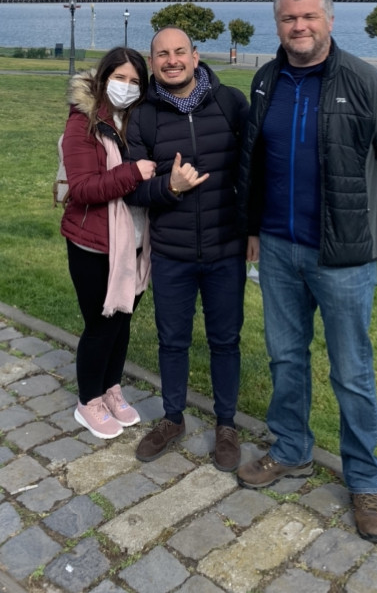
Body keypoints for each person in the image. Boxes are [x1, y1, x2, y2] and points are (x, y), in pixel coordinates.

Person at [237, 0, 377, 543]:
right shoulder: (265, 81)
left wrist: (358, 218)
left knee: (351, 371)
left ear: (328, 20)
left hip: (343, 259)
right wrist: (252, 228)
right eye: (288, 19)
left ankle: (365, 481)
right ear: (278, 25)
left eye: (309, 17)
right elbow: (256, 161)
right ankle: (291, 449)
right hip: (278, 249)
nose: (299, 27)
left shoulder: (364, 81)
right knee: (285, 357)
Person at [125, 27, 248, 472]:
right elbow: (132, 189)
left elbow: (252, 171)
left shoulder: (231, 103)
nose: (172, 60)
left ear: (196, 57)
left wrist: (252, 229)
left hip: (225, 248)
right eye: (162, 54)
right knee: (172, 341)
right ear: (152, 62)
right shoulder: (143, 117)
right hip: (172, 252)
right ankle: (172, 418)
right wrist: (170, 188)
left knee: (225, 340)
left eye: (180, 52)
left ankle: (226, 425)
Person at [60, 47, 157, 439]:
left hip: (135, 242)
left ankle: (111, 388)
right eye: (119, 78)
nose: (126, 87)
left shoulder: (139, 121)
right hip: (94, 245)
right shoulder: (83, 123)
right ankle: (89, 401)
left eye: (135, 81)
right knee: (101, 325)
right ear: (103, 79)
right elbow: (83, 188)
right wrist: (133, 173)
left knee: (122, 322)